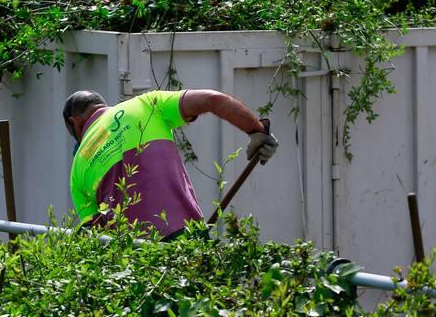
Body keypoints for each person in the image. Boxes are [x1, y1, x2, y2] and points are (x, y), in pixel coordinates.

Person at [63, 88, 278, 239]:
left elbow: (95, 237)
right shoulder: (145, 104)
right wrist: (258, 131)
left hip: (135, 264)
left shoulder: (76, 170)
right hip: (186, 238)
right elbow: (213, 99)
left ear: (74, 123)